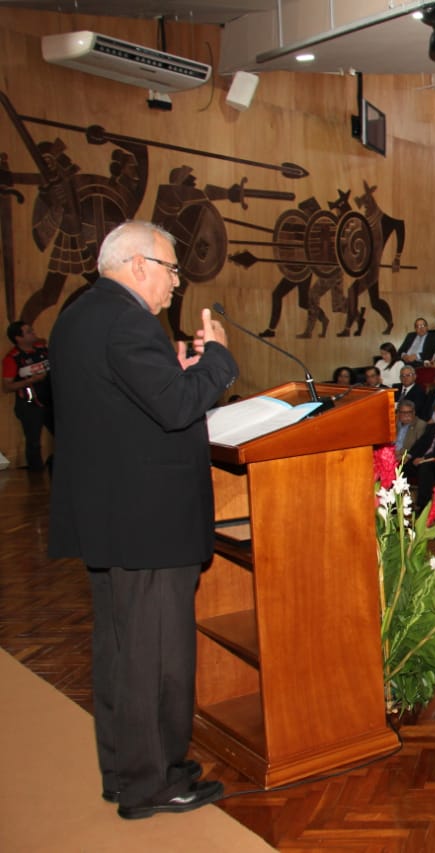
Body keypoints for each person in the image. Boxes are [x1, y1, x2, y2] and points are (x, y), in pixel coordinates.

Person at [49, 220, 236, 818]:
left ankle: (125, 773)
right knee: (158, 658)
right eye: (172, 270)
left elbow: (128, 404)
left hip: (110, 514)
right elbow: (178, 407)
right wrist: (218, 363)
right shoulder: (129, 321)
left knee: (121, 652)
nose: (176, 285)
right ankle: (156, 782)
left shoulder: (79, 315)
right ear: (138, 266)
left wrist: (173, 369)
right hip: (148, 520)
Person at [3, 320, 53, 471]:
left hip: (50, 400)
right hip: (30, 403)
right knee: (34, 441)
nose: (33, 332)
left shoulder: (42, 348)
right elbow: (7, 386)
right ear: (18, 338)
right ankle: (36, 474)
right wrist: (32, 380)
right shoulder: (13, 358)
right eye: (29, 331)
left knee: (63, 433)